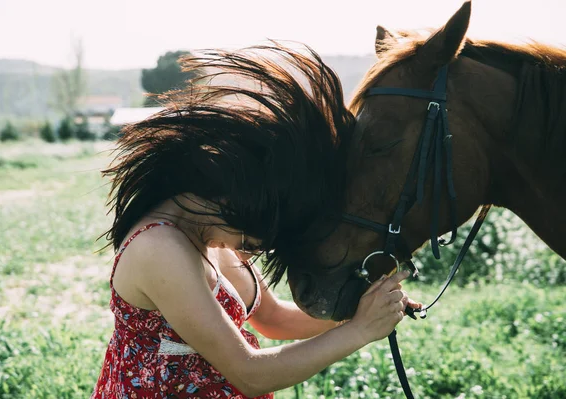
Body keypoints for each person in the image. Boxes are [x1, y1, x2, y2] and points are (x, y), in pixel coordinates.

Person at [91, 43, 420, 399]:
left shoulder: (213, 237)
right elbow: (250, 373)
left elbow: (275, 319)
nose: (258, 246)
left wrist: (363, 307)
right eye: (258, 233)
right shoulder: (159, 247)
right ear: (237, 191)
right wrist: (359, 331)